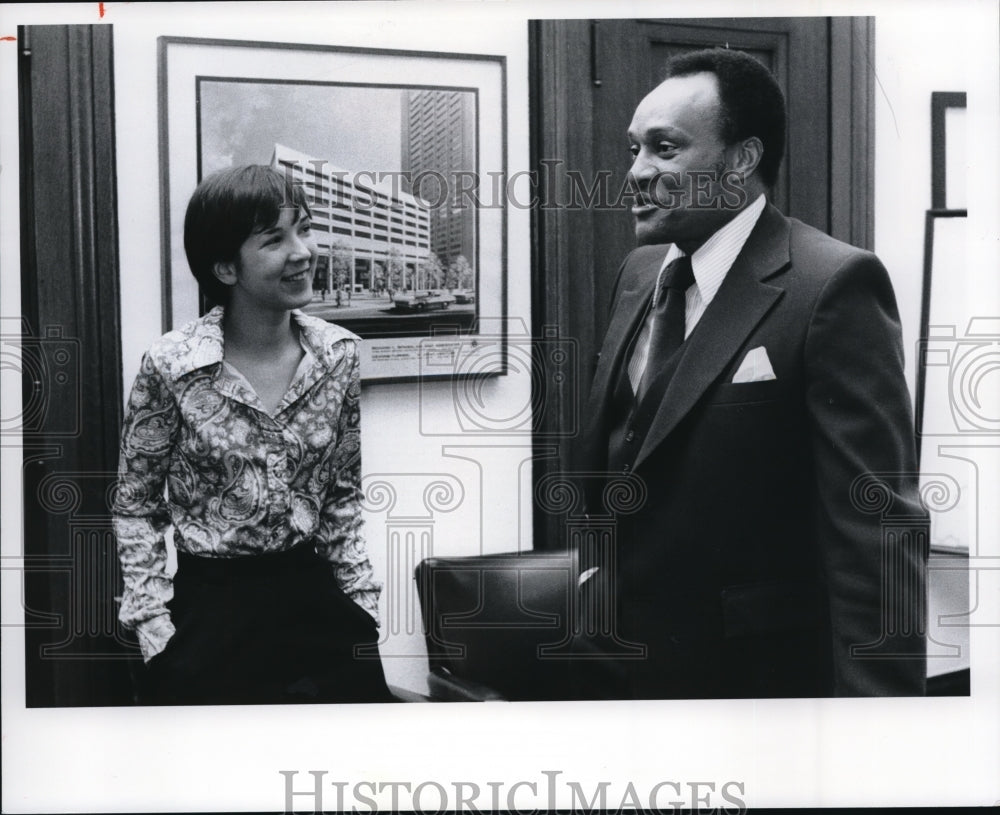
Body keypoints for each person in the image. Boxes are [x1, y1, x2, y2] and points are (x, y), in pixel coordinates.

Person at [573, 48, 928, 698]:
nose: (636, 172)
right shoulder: (637, 277)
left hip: (756, 698)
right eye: (632, 150)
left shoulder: (832, 287)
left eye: (664, 148)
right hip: (619, 683)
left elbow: (877, 538)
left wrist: (884, 736)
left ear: (741, 161)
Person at [112, 165, 392, 705]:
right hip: (211, 608)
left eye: (304, 229)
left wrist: (362, 602)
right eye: (274, 239)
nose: (302, 251)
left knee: (351, 768)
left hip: (317, 598)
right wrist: (152, 623)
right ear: (224, 266)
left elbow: (341, 495)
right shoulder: (172, 364)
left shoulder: (338, 355)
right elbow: (136, 505)